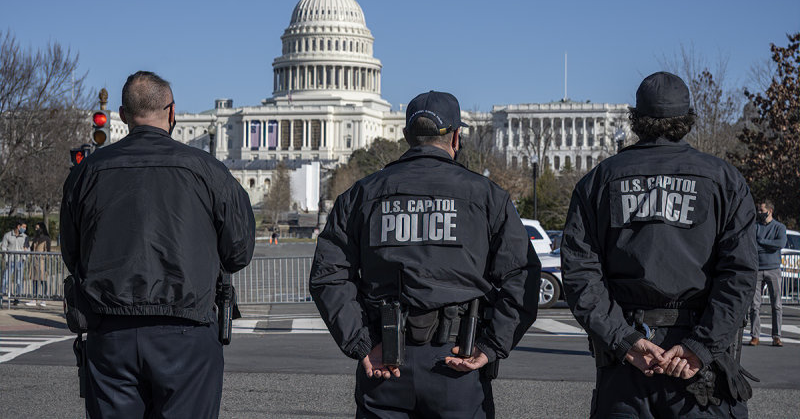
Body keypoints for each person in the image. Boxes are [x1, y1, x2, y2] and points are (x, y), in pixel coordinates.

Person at [310, 90, 540, 419]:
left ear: (406, 136)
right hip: (458, 360)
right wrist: (490, 346)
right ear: (456, 137)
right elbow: (522, 275)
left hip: (384, 359)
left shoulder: (362, 193)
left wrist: (362, 343)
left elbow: (329, 275)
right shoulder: (486, 196)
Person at [561, 72, 758, 418]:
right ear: (687, 121)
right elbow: (739, 275)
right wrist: (699, 346)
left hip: (629, 357)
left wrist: (624, 340)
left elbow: (581, 273)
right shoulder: (724, 179)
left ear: (637, 120)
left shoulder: (599, 180)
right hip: (699, 368)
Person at [60, 71, 255, 419]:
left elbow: (72, 254)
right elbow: (239, 250)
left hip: (110, 331)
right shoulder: (208, 170)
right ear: (172, 112)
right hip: (186, 328)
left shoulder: (86, 173)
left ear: (122, 115)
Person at [749, 200, 787, 347]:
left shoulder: (779, 227)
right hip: (757, 269)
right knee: (754, 305)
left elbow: (780, 244)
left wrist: (762, 242)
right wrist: (766, 245)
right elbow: (752, 244)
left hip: (774, 269)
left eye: (762, 210)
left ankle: (777, 336)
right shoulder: (755, 227)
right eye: (758, 210)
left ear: (769, 211)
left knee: (776, 305)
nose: (759, 213)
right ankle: (755, 336)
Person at [1, 222, 28, 302]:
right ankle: (1, 297)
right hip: (10, 261)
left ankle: (17, 298)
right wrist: (6, 258)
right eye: (23, 227)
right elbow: (4, 247)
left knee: (19, 280)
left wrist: (24, 258)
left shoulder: (25, 237)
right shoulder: (7, 235)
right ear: (18, 226)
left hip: (20, 261)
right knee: (5, 279)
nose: (25, 229)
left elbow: (27, 248)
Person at [28, 222, 51, 306]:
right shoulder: (35, 238)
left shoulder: (46, 238)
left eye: (37, 228)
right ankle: (34, 298)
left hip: (42, 261)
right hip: (34, 261)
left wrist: (44, 259)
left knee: (43, 280)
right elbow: (31, 249)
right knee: (34, 280)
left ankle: (43, 298)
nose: (36, 229)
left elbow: (48, 251)